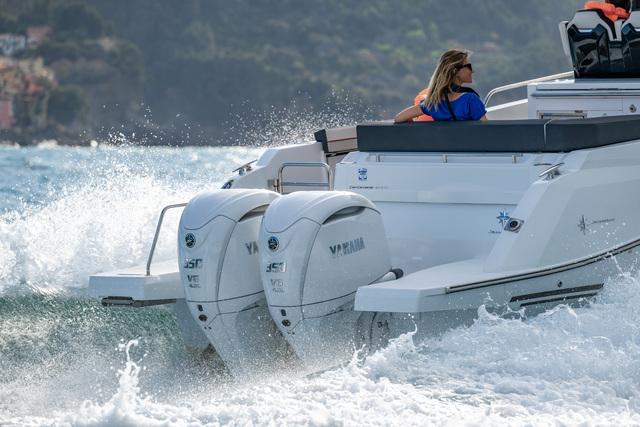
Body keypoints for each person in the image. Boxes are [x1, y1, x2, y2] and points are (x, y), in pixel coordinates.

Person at [394, 49, 487, 123]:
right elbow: (487, 131)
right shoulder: (471, 100)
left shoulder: (433, 103)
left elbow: (399, 118)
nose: (472, 71)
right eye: (469, 66)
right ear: (455, 71)